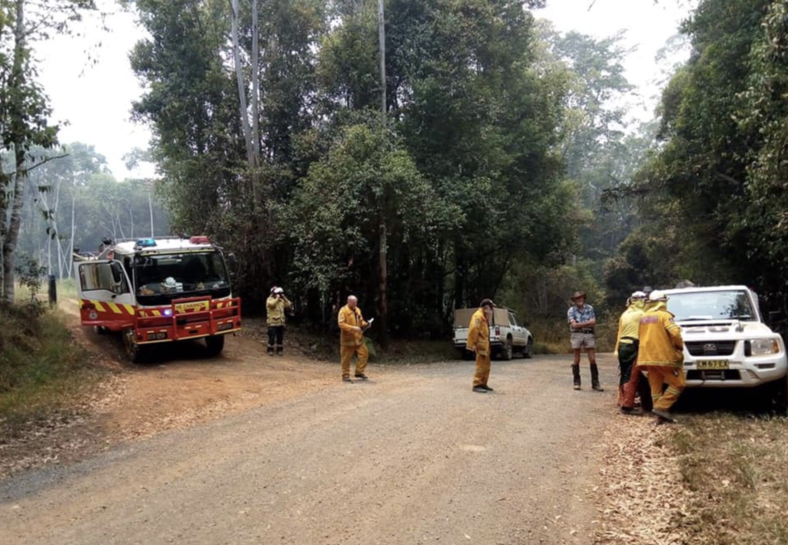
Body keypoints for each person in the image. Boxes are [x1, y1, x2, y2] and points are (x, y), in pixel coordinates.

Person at [637, 290, 686, 423]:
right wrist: (679, 346)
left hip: (647, 358)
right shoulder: (665, 316)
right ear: (663, 302)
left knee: (656, 388)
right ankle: (661, 407)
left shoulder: (643, 317)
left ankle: (659, 417)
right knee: (679, 383)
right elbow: (675, 333)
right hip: (664, 357)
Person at [615, 291, 652, 414]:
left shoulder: (625, 313)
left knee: (624, 373)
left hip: (622, 346)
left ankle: (622, 399)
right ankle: (627, 406)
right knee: (632, 375)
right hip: (633, 346)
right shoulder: (641, 314)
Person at [567, 291, 603, 391]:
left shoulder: (590, 308)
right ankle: (576, 382)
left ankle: (595, 383)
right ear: (574, 300)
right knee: (576, 359)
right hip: (576, 334)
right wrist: (587, 323)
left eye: (581, 298)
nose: (580, 300)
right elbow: (573, 325)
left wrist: (580, 324)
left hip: (588, 334)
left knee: (592, 359)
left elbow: (593, 322)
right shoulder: (571, 310)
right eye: (578, 298)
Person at [337, 295, 371, 383]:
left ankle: (359, 372)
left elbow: (360, 320)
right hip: (348, 340)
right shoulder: (343, 311)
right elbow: (341, 324)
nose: (355, 304)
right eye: (354, 302)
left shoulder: (357, 310)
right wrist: (353, 328)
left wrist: (366, 324)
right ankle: (345, 375)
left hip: (358, 338)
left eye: (356, 302)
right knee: (346, 358)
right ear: (349, 302)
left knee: (364, 353)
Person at [467, 299, 495, 393]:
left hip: (485, 345)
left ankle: (483, 383)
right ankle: (476, 384)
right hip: (480, 345)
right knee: (480, 366)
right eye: (491, 308)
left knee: (486, 366)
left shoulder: (484, 317)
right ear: (486, 308)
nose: (492, 311)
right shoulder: (478, 316)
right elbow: (473, 330)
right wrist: (473, 344)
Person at [266, 286, 292, 356]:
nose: (279, 294)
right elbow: (271, 305)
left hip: (280, 322)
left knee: (280, 337)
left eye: (279, 293)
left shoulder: (281, 300)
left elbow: (289, 304)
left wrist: (284, 297)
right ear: (273, 293)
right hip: (272, 322)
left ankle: (279, 350)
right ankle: (270, 349)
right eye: (277, 293)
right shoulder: (269, 299)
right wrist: (277, 298)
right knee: (272, 337)